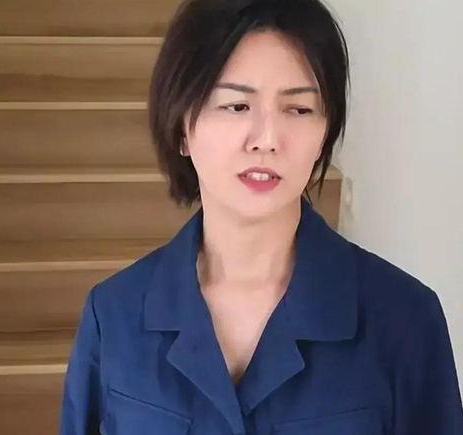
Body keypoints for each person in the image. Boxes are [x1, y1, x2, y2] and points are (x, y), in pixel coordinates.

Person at [59, 0, 463, 433]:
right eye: (236, 106)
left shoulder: (404, 320)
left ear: (324, 136)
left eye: (299, 109)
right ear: (182, 128)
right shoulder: (114, 315)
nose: (267, 139)